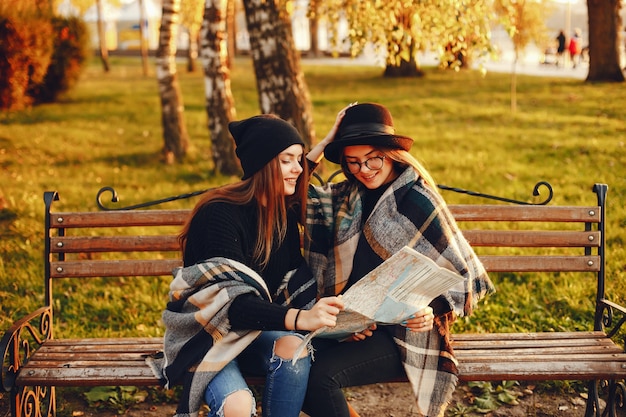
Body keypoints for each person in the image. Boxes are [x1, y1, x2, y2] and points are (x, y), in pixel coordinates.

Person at [302, 103, 495, 417]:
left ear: (390, 154)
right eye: (352, 162)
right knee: (293, 364)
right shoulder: (343, 198)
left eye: (372, 159)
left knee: (319, 377)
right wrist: (323, 146)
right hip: (350, 326)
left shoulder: (418, 200)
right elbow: (289, 196)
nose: (363, 170)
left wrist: (430, 311)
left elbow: (458, 277)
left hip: (404, 332)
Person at [150, 114, 344, 417]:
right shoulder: (218, 216)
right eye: (287, 160)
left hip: (254, 332)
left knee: (294, 349)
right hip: (209, 335)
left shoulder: (280, 212)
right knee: (237, 406)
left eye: (299, 159)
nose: (298, 169)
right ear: (263, 164)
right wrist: (300, 318)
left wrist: (325, 142)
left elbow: (301, 175)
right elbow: (231, 307)